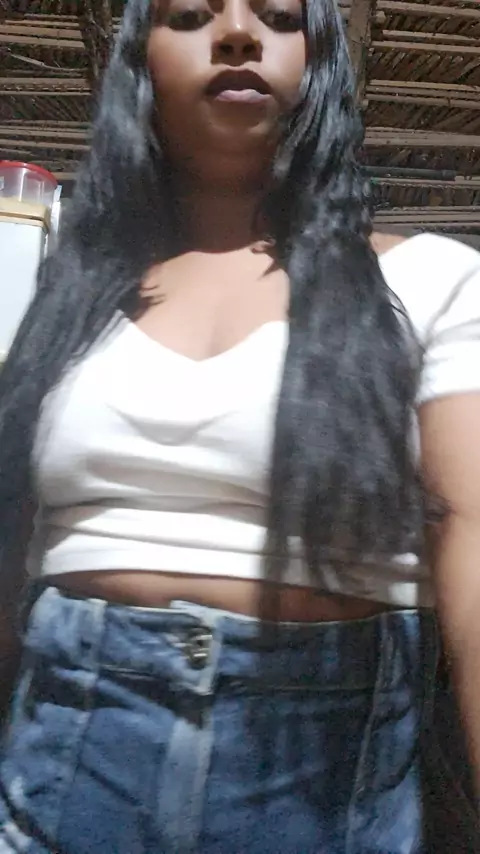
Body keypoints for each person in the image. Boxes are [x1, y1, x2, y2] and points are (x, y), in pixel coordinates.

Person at [0, 0, 479, 850]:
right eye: (190, 14)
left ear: (322, 65)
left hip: (327, 782)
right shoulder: (69, 297)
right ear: (139, 66)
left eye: (281, 18)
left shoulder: (432, 282)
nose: (236, 34)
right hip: (64, 767)